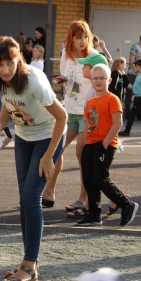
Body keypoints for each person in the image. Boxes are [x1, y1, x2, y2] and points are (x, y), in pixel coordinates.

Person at [0, 36, 67, 281]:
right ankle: (27, 261)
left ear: (18, 58)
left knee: (31, 197)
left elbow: (62, 117)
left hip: (48, 136)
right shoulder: (0, 80)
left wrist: (48, 156)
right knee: (24, 199)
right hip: (23, 137)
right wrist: (1, 125)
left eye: (10, 62)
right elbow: (7, 103)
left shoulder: (33, 81)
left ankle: (29, 265)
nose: (5, 69)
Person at [42, 20, 94, 213]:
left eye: (85, 37)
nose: (82, 41)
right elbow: (66, 78)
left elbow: (101, 82)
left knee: (81, 153)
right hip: (68, 110)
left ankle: (84, 199)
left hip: (87, 113)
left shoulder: (93, 57)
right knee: (55, 150)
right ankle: (49, 192)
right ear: (71, 38)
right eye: (78, 37)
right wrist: (62, 80)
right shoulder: (67, 54)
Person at [79, 63, 139, 227]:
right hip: (90, 144)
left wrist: (103, 145)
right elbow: (87, 124)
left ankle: (127, 204)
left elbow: (117, 123)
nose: (98, 81)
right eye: (95, 78)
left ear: (109, 80)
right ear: (91, 80)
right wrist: (85, 144)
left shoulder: (112, 99)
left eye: (102, 78)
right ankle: (93, 214)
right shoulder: (91, 101)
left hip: (105, 144)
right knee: (89, 179)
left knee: (100, 178)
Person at [119, 59, 141, 136]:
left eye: (136, 65)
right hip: (138, 98)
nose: (134, 67)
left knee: (132, 115)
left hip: (140, 98)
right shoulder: (140, 75)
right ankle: (127, 130)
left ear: (139, 66)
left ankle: (127, 130)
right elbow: (138, 87)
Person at [125, 33, 141, 111]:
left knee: (140, 93)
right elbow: (131, 60)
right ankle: (127, 113)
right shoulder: (135, 46)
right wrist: (135, 70)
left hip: (140, 74)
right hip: (133, 74)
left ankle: (138, 113)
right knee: (129, 93)